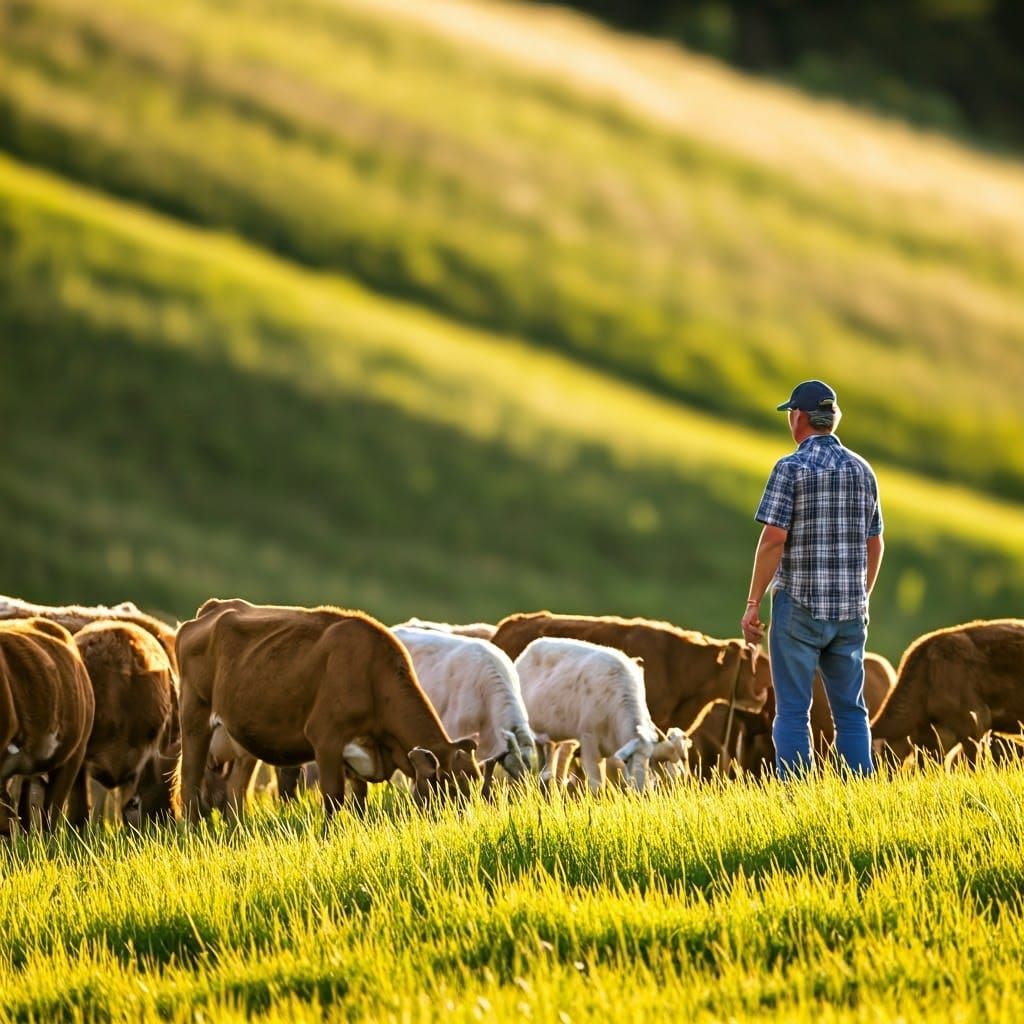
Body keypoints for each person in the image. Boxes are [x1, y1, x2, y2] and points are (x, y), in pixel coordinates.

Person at [740, 380, 884, 779]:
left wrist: (753, 603)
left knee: (792, 712)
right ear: (833, 420)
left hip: (798, 609)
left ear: (798, 418)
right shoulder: (863, 470)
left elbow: (773, 541)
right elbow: (875, 544)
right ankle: (861, 796)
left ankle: (797, 801)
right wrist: (861, 596)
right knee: (852, 713)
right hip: (850, 613)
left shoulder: (791, 468)